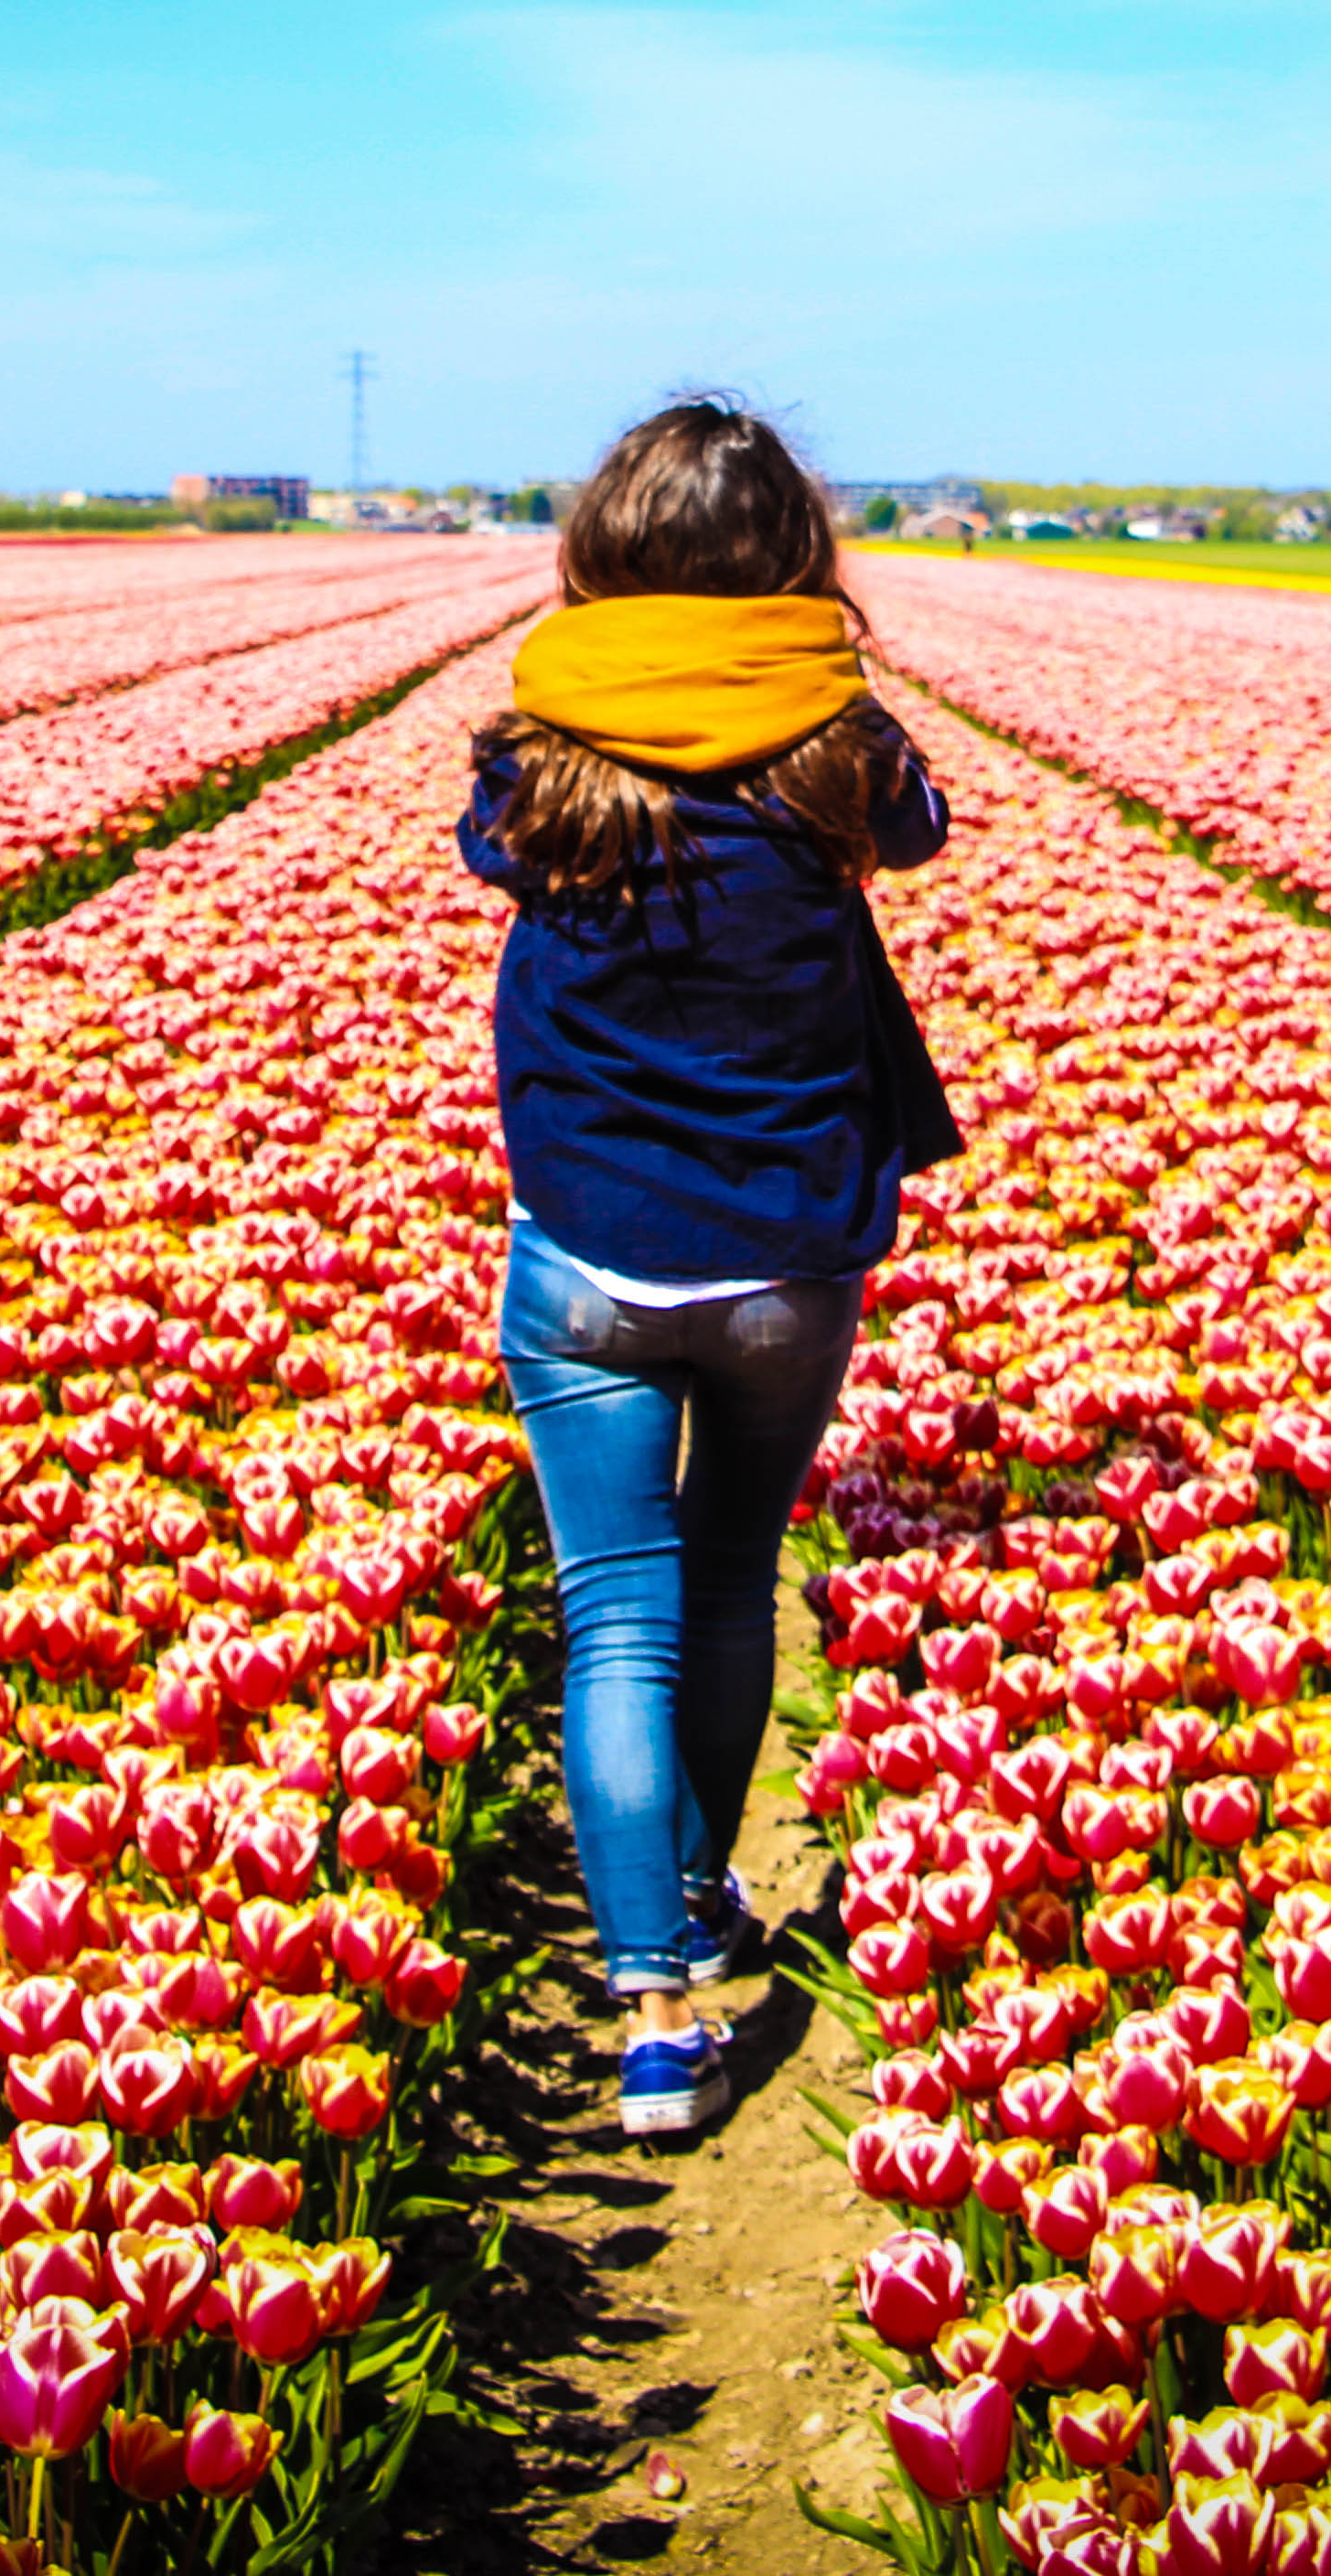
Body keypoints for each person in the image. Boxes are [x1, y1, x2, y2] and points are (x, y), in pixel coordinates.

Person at [458, 399, 961, 2140]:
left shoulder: (540, 755)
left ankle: (655, 2007)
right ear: (792, 558)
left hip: (587, 1248)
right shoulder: (844, 746)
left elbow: (486, 860)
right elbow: (923, 836)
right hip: (787, 1254)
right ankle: (693, 1890)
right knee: (734, 1579)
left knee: (617, 1614)